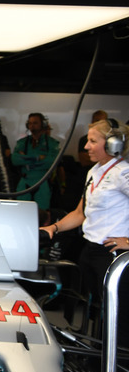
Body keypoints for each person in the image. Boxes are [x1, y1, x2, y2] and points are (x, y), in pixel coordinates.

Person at [40, 118, 129, 349]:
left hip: (111, 254)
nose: (86, 147)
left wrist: (128, 242)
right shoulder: (94, 171)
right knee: (98, 311)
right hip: (89, 250)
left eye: (92, 141)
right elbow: (80, 213)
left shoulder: (123, 173)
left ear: (112, 144)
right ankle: (98, 362)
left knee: (118, 317)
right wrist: (54, 227)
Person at [12, 112, 60, 215]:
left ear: (42, 124)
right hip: (25, 182)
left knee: (42, 215)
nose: (32, 125)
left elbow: (51, 162)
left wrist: (25, 158)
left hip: (42, 182)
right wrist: (37, 158)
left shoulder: (51, 143)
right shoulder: (22, 143)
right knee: (20, 213)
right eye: (30, 123)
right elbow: (15, 160)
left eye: (35, 123)